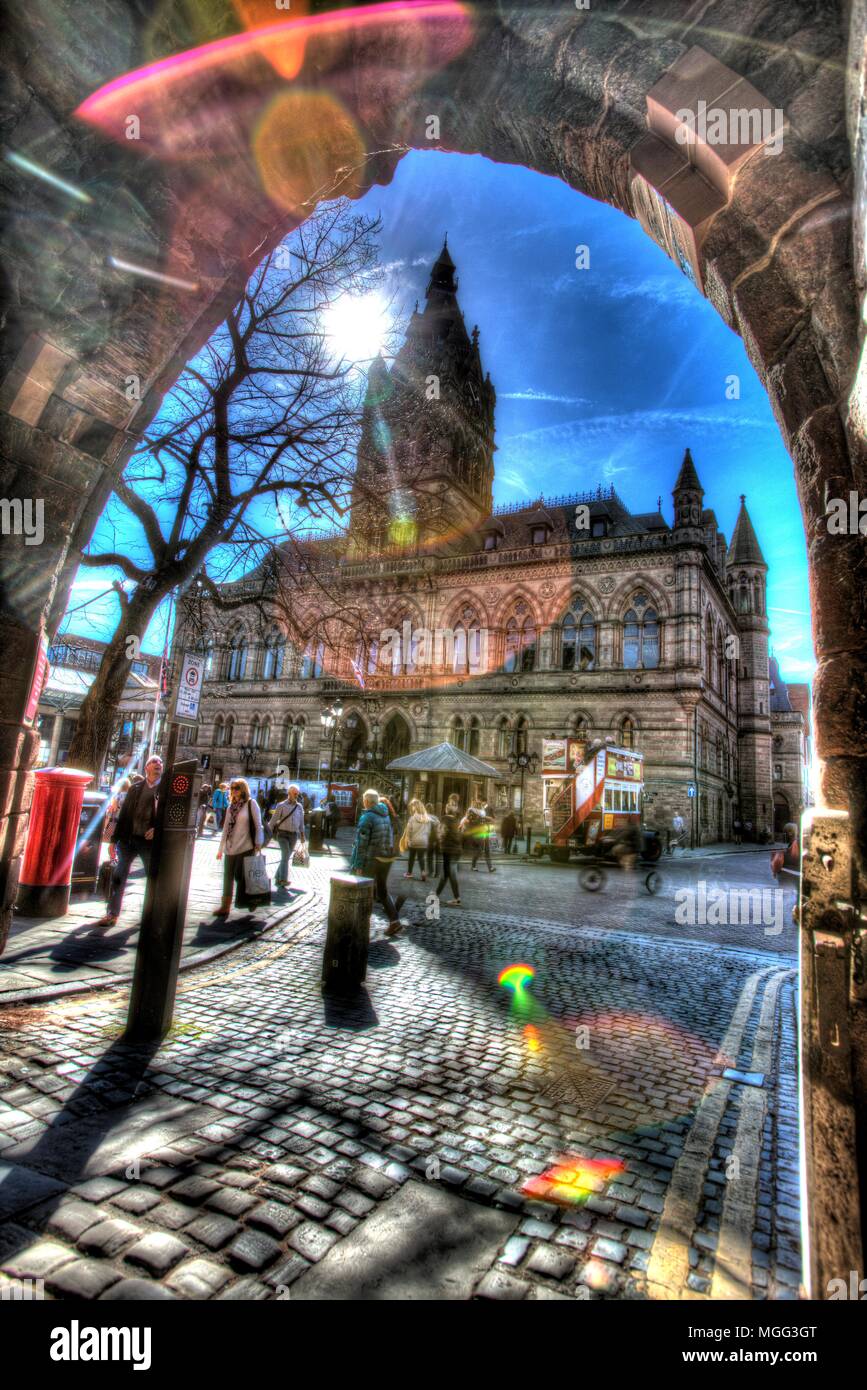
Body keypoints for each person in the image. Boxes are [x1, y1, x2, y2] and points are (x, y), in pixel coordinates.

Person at [96, 756, 163, 927]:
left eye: (160, 764)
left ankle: (150, 915)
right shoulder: (135, 788)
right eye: (155, 763)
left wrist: (157, 829)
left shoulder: (165, 790)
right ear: (147, 768)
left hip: (148, 843)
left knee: (152, 879)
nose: (158, 766)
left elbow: (169, 817)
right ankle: (112, 913)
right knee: (119, 875)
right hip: (128, 839)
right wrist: (113, 840)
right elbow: (124, 815)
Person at [350, 789, 404, 937]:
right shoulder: (385, 814)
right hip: (386, 857)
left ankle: (361, 925)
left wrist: (359, 865)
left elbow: (362, 843)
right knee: (382, 891)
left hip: (372, 858)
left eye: (363, 800)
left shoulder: (367, 817)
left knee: (364, 891)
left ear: (366, 801)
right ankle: (395, 921)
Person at [215, 778, 264, 916]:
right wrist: (220, 849)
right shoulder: (231, 806)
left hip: (246, 846)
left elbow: (258, 824)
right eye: (232, 788)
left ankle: (251, 899)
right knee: (227, 876)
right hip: (230, 847)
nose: (234, 790)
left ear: (243, 789)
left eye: (237, 788)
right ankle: (225, 907)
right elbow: (225, 828)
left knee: (239, 875)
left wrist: (258, 843)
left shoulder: (251, 804)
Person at [268, 783, 306, 887]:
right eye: (294, 793)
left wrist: (303, 836)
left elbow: (301, 823)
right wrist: (266, 833)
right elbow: (273, 820)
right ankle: (283, 880)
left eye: (297, 793)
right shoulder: (281, 805)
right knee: (285, 855)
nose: (296, 795)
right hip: (282, 834)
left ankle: (277, 876)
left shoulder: (299, 807)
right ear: (289, 793)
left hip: (294, 835)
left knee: (286, 857)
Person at [435, 794, 463, 906]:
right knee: (447, 874)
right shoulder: (457, 820)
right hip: (456, 850)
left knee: (450, 873)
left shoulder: (445, 819)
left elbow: (442, 833)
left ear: (446, 810)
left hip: (448, 849)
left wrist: (439, 841)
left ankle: (456, 898)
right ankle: (436, 895)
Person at [402, 799, 432, 881]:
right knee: (421, 858)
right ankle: (423, 872)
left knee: (411, 857)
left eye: (412, 807)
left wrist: (408, 840)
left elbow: (409, 831)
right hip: (424, 841)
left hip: (414, 841)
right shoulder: (427, 819)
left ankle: (409, 873)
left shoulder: (412, 818)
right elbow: (429, 831)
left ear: (415, 808)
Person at [462, 800, 495, 873]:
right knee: (479, 850)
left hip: (485, 831)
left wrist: (488, 820)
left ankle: (490, 867)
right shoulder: (471, 812)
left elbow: (484, 819)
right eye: (478, 804)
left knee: (487, 850)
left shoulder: (482, 812)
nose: (480, 806)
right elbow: (470, 822)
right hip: (478, 834)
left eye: (480, 804)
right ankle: (473, 866)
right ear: (475, 805)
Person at [425, 803, 441, 879]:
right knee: (437, 857)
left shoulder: (425, 817)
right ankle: (437, 873)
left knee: (429, 856)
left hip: (430, 839)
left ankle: (430, 872)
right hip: (437, 839)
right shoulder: (436, 818)